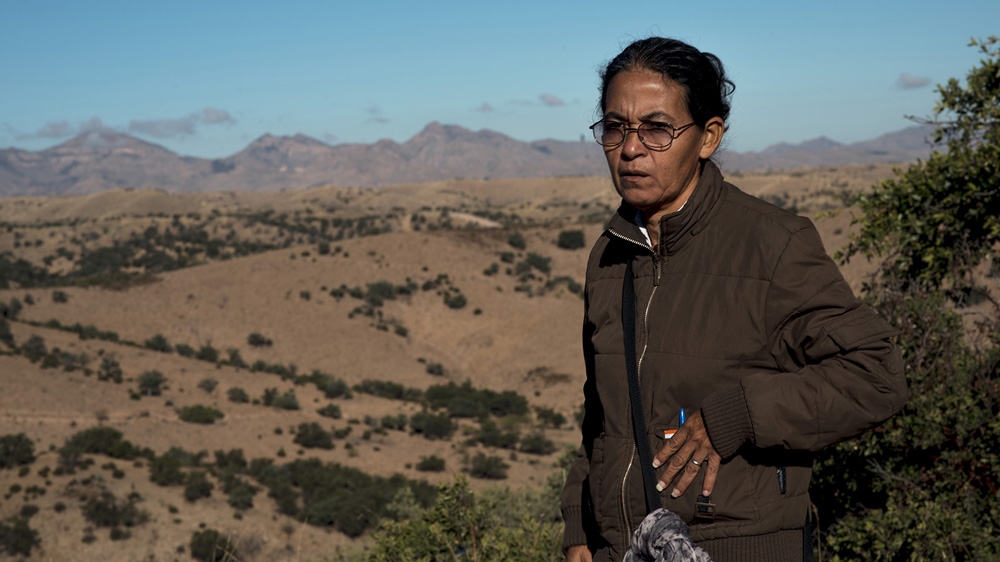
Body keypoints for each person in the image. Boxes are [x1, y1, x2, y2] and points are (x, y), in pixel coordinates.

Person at [561, 37, 908, 562]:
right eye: (615, 127)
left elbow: (877, 374)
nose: (630, 149)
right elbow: (602, 415)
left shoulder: (773, 245)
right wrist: (580, 528)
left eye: (657, 129)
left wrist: (738, 414)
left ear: (708, 137)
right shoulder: (609, 257)